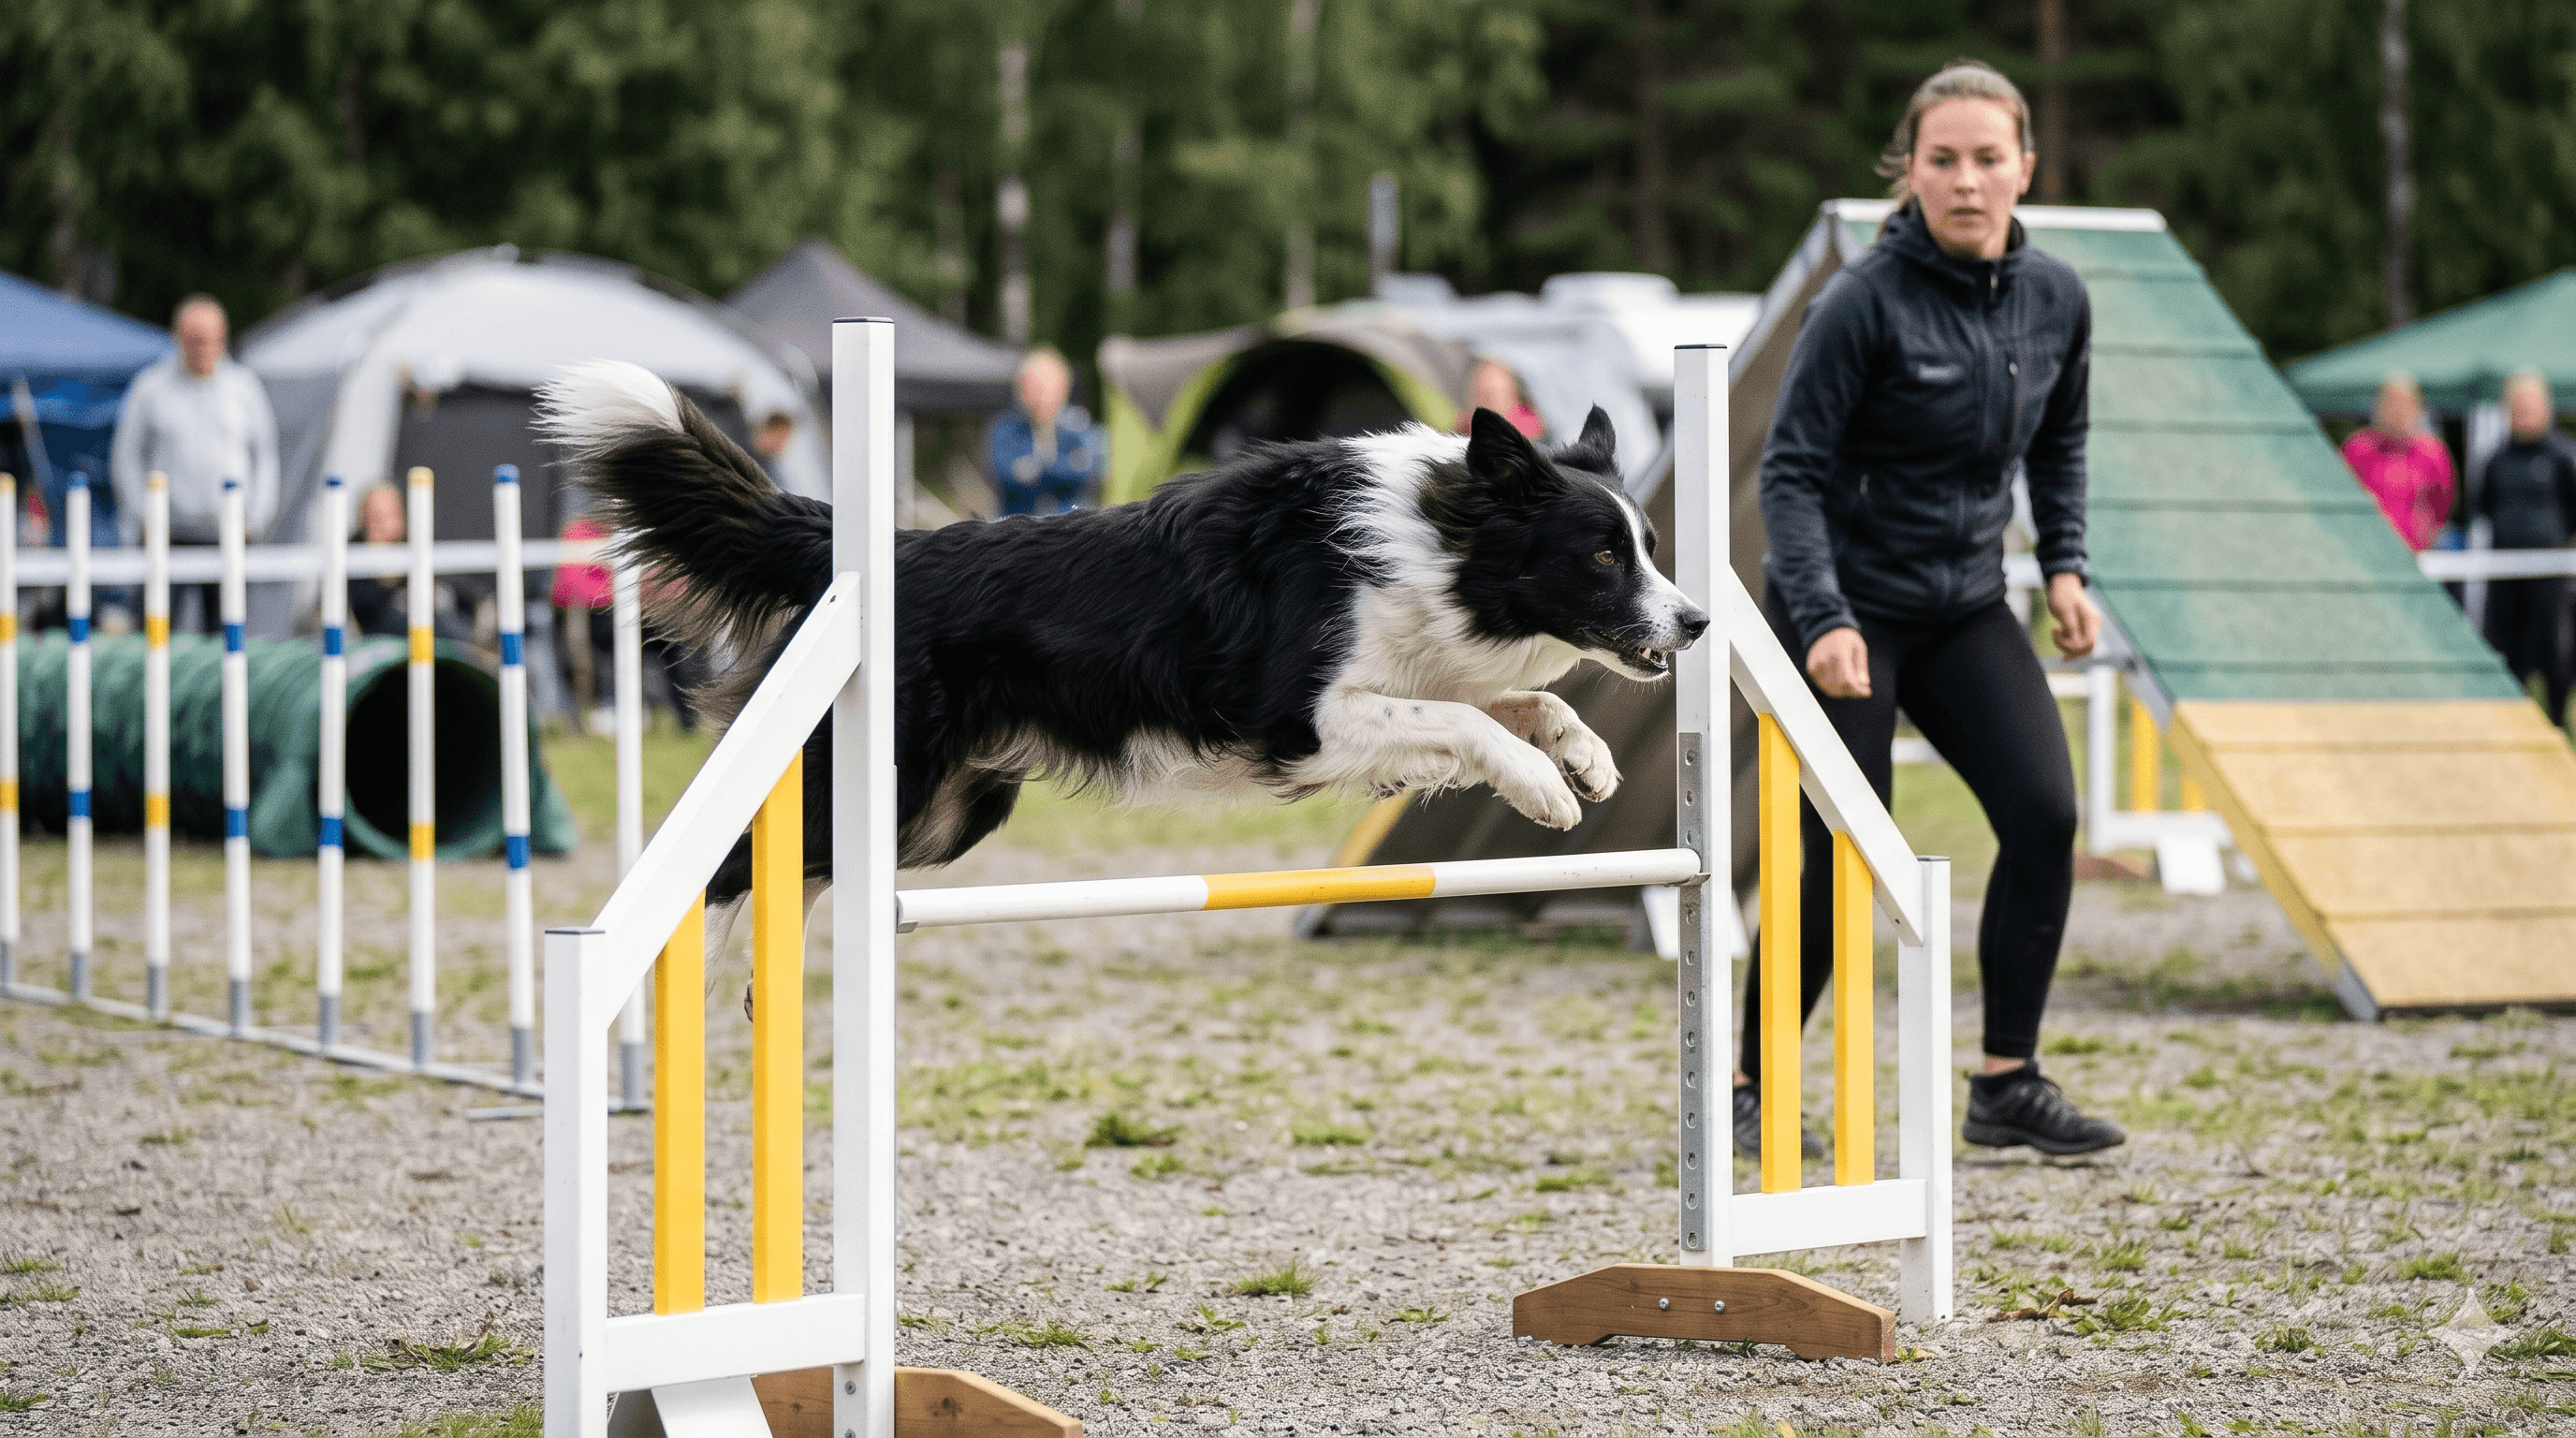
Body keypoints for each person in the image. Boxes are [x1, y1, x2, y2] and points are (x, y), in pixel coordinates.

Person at [1750, 57, 2123, 1160]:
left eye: (1987, 159)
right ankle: (1750, 1078)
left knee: (2046, 815)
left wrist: (2063, 564)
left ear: (2025, 168)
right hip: (1845, 606)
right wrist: (1820, 618)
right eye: (1942, 159)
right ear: (1906, 173)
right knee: (1841, 852)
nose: (1966, 180)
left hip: (1963, 598)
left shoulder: (2056, 296)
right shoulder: (1858, 301)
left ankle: (2007, 1083)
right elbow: (1790, 471)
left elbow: (2059, 439)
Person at [110, 294, 281, 632]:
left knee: (226, 634)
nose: (204, 349)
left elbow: (266, 456)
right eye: (196, 341)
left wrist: (257, 518)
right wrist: (141, 516)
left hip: (229, 531)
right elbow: (126, 454)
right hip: (168, 530)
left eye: (212, 340)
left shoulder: (244, 388)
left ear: (224, 340)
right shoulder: (151, 387)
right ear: (179, 339)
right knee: (157, 630)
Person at [2475, 370, 2576, 727]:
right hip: (2504, 575)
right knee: (2505, 652)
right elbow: (2482, 506)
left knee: (2555, 654)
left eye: (2531, 405)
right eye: (2517, 406)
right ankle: (2511, 727)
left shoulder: (2564, 456)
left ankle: (2559, 724)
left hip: (2550, 577)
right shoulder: (2495, 458)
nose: (2524, 413)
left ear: (2547, 408)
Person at [2340, 374, 2453, 551]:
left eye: (2405, 403)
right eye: (2391, 403)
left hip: (2414, 551)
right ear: (2377, 407)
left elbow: (2443, 503)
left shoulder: (2432, 452)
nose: (2398, 410)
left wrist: (2424, 534)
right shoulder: (2358, 448)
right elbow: (2340, 496)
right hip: (2365, 548)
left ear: (2418, 408)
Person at [986, 346, 1103, 516]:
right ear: (1021, 389)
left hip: (1072, 530)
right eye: (1034, 386)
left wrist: (1033, 468)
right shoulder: (1004, 428)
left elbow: (1091, 471)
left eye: (1048, 386)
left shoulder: (1082, 427)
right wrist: (1062, 468)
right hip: (1017, 530)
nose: (1041, 394)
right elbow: (1003, 474)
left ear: (1064, 387)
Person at [346, 485, 410, 638]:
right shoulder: (350, 557)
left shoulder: (418, 551)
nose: (382, 524)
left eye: (389, 515)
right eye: (375, 517)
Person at [1456, 359, 1544, 439]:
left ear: (1513, 394)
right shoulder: (1468, 421)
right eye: (1481, 395)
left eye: (1490, 395)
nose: (1484, 401)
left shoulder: (1528, 424)